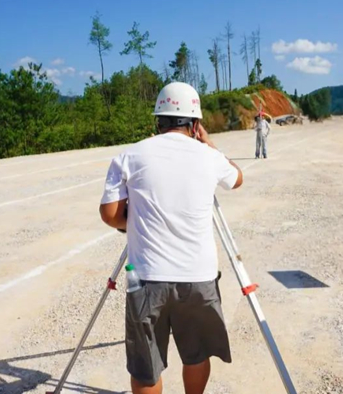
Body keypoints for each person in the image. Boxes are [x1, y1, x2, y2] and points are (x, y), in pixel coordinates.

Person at [99, 82, 243, 394]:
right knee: (197, 353)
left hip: (146, 278)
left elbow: (109, 214)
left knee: (146, 366)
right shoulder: (208, 156)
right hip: (198, 276)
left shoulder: (129, 155)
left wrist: (132, 223)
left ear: (157, 121)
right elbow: (237, 179)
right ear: (195, 124)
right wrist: (210, 145)